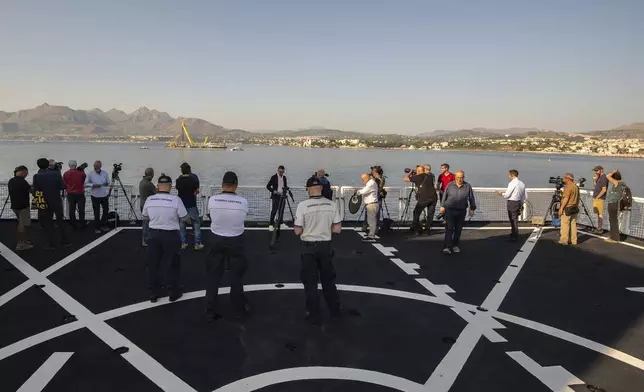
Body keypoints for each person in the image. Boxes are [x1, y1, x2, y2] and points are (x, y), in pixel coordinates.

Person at [294, 175, 343, 325]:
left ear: (308, 189)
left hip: (309, 248)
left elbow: (297, 231)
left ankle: (313, 313)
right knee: (328, 280)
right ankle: (334, 311)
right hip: (325, 247)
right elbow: (337, 229)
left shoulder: (303, 206)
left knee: (310, 282)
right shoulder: (331, 205)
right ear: (321, 188)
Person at [204, 171, 250, 321]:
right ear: (236, 185)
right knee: (236, 276)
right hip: (236, 240)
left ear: (222, 184)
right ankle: (239, 309)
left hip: (216, 239)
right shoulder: (243, 202)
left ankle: (210, 309)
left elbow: (210, 216)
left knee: (213, 276)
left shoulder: (212, 200)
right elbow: (243, 217)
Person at [141, 174, 189, 303]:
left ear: (157, 186)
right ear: (170, 186)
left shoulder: (150, 199)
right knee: (172, 263)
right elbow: (184, 217)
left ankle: (153, 293)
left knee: (153, 264)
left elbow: (144, 216)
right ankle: (173, 292)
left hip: (153, 234)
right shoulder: (176, 200)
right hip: (171, 234)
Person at [32, 158, 70, 250]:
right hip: (57, 201)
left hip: (45, 203)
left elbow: (35, 191)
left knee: (48, 224)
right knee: (60, 221)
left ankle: (51, 244)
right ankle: (65, 241)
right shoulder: (56, 174)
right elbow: (63, 186)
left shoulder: (37, 176)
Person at [440, 170, 476, 254]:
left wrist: (472, 209)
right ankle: (447, 247)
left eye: (461, 177)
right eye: (458, 177)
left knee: (458, 229)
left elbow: (471, 198)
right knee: (449, 228)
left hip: (461, 211)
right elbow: (444, 195)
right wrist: (442, 206)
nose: (459, 179)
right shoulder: (450, 185)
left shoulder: (467, 186)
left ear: (463, 177)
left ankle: (455, 245)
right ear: (455, 177)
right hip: (450, 209)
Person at [176, 163, 204, 250]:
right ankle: (197, 243)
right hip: (191, 204)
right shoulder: (193, 179)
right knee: (196, 223)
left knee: (181, 224)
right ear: (189, 169)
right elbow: (197, 191)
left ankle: (183, 242)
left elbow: (178, 189)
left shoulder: (179, 180)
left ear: (181, 170)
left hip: (182, 205)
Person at [404, 165, 438, 235]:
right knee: (430, 214)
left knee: (416, 213)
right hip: (433, 197)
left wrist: (410, 173)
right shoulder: (430, 176)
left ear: (419, 171)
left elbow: (405, 179)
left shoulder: (417, 177)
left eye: (416, 170)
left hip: (424, 198)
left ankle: (418, 228)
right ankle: (427, 230)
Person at [8, 166, 33, 251]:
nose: (26, 175)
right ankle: (21, 244)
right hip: (23, 207)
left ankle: (23, 241)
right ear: (22, 172)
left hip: (15, 206)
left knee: (20, 223)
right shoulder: (22, 182)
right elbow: (32, 191)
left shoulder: (11, 181)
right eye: (26, 173)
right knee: (22, 225)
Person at [497, 169, 526, 241]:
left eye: (509, 175)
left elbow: (507, 195)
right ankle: (514, 233)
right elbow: (523, 196)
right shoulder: (522, 183)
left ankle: (514, 235)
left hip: (512, 203)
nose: (508, 176)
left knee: (513, 219)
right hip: (518, 202)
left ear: (512, 175)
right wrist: (521, 204)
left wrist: (501, 194)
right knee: (515, 218)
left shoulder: (512, 183)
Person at [85, 160, 110, 234]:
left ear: (100, 166)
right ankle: (96, 227)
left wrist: (106, 184)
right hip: (95, 196)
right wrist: (93, 185)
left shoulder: (105, 173)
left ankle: (103, 224)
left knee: (106, 210)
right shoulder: (90, 174)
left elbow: (108, 182)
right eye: (95, 166)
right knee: (96, 212)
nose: (96, 168)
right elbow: (86, 183)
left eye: (97, 166)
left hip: (104, 195)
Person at [355, 173, 379, 242]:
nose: (362, 181)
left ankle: (371, 236)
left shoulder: (371, 183)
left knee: (371, 221)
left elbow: (364, 191)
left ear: (366, 178)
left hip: (372, 204)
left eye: (363, 179)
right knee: (370, 220)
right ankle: (371, 234)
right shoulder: (371, 183)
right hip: (371, 204)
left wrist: (357, 192)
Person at [63, 160, 87, 228]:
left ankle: (73, 223)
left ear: (69, 165)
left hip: (70, 194)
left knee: (72, 209)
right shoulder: (81, 173)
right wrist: (82, 170)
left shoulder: (65, 173)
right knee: (81, 209)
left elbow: (65, 183)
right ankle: (82, 222)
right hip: (80, 193)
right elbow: (83, 179)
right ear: (76, 165)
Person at [558, 173, 580, 246]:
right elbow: (578, 198)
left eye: (564, 178)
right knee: (573, 224)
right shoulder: (576, 187)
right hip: (574, 208)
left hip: (568, 208)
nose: (563, 179)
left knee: (565, 224)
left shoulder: (568, 187)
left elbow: (566, 198)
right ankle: (574, 240)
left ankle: (564, 240)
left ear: (568, 178)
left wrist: (561, 208)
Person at [266, 165, 288, 231]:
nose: (281, 173)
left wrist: (285, 191)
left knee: (281, 211)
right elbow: (268, 186)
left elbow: (285, 186)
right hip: (276, 197)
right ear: (278, 170)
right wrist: (273, 191)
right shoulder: (274, 177)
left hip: (282, 196)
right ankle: (270, 224)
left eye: (282, 172)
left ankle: (281, 223)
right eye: (280, 172)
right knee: (274, 211)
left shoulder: (284, 178)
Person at [138, 167, 156, 247]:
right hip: (148, 206)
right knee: (147, 224)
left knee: (144, 223)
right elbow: (157, 191)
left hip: (142, 204)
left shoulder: (141, 182)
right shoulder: (149, 184)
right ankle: (144, 240)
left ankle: (145, 238)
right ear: (151, 174)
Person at [605, 170, 624, 243]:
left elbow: (607, 176)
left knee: (613, 221)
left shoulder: (617, 183)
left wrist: (613, 171)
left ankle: (615, 238)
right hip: (616, 204)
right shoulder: (622, 184)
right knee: (613, 220)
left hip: (613, 204)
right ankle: (613, 236)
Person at [591, 165, 608, 233]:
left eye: (597, 170)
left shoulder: (604, 178)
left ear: (601, 170)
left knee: (600, 213)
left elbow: (604, 190)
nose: (596, 172)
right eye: (595, 170)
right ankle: (599, 228)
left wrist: (597, 197)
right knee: (598, 213)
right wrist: (594, 179)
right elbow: (596, 186)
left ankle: (600, 229)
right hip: (597, 198)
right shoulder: (600, 177)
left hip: (599, 198)